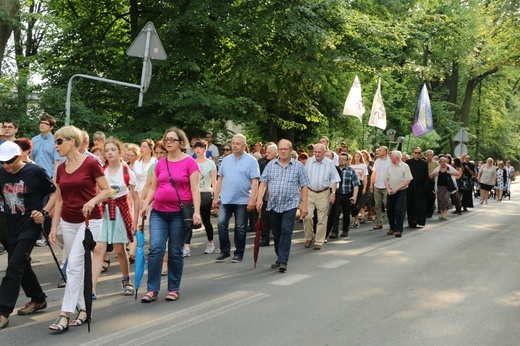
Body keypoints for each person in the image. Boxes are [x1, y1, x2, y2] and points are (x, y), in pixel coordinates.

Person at [48, 125, 111, 332]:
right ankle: (84, 310)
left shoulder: (91, 163)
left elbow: (108, 190)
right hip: (68, 220)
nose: (56, 146)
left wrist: (93, 201)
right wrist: (53, 227)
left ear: (72, 142)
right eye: (55, 142)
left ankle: (64, 314)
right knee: (74, 267)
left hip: (89, 221)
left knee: (74, 265)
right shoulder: (60, 168)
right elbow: (59, 200)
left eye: (59, 141)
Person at [139, 127, 201, 302]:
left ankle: (173, 288)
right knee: (156, 249)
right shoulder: (160, 163)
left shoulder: (190, 163)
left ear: (181, 143)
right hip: (159, 212)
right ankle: (152, 289)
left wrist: (196, 212)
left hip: (178, 215)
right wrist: (145, 204)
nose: (168, 142)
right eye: (166, 139)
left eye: (172, 139)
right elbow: (153, 187)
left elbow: (195, 189)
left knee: (175, 251)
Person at [0, 141, 56, 330]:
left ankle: (2, 311)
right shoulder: (1, 172)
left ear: (20, 156)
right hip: (10, 226)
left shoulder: (36, 172)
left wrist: (44, 212)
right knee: (21, 264)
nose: (6, 165)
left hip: (30, 227)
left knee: (14, 267)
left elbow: (55, 193)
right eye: (2, 162)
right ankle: (38, 298)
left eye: (9, 161)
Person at [92, 138, 139, 298]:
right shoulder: (101, 172)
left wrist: (135, 219)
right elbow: (97, 193)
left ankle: (126, 280)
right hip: (103, 211)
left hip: (120, 210)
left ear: (120, 152)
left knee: (120, 250)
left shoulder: (127, 173)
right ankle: (91, 287)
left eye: (113, 149)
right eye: (107, 150)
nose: (109, 153)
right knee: (99, 248)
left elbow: (135, 197)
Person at [256, 139, 309, 272]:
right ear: (278, 151)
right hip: (273, 204)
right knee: (277, 233)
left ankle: (283, 261)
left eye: (286, 149)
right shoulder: (270, 165)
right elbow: (263, 183)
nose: (283, 151)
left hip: (290, 205)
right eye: (281, 149)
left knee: (286, 231)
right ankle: (280, 257)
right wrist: (259, 199)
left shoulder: (298, 166)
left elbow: (304, 186)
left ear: (291, 151)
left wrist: (304, 205)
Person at [212, 134, 259, 263]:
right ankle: (224, 251)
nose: (234, 146)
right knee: (221, 224)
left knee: (240, 227)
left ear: (244, 146)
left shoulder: (251, 161)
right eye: (233, 143)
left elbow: (255, 181)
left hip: (242, 199)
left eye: (238, 143)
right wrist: (216, 197)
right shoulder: (226, 160)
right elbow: (220, 178)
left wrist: (253, 199)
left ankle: (239, 253)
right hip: (226, 198)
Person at [303, 143, 340, 250]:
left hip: (324, 193)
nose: (317, 154)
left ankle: (319, 241)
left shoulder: (329, 163)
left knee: (322, 219)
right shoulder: (309, 161)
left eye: (319, 152)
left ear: (324, 152)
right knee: (307, 216)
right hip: (309, 192)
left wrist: (333, 193)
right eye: (315, 152)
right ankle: (309, 237)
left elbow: (334, 179)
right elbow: (303, 178)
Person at [183, 139, 217, 256]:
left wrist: (216, 196)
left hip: (206, 193)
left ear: (205, 149)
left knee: (206, 220)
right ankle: (186, 246)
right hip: (192, 194)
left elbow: (214, 181)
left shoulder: (210, 163)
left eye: (200, 147)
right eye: (196, 147)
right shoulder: (191, 162)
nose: (197, 150)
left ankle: (210, 243)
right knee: (190, 220)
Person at [329, 152, 360, 238]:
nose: (341, 161)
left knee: (346, 213)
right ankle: (334, 231)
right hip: (337, 194)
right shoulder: (335, 169)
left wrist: (354, 196)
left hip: (347, 194)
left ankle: (345, 230)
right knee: (336, 213)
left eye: (343, 159)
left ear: (347, 161)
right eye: (340, 159)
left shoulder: (351, 170)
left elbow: (356, 184)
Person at [385, 151, 412, 237]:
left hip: (401, 190)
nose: (390, 158)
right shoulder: (389, 167)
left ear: (397, 157)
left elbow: (408, 180)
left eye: (391, 156)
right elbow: (386, 179)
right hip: (391, 190)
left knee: (399, 209)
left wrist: (397, 188)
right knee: (389, 210)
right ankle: (392, 227)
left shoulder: (405, 166)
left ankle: (399, 229)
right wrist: (388, 189)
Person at [257, 144, 278, 246]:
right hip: (265, 195)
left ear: (275, 153)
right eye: (266, 152)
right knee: (265, 218)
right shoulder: (263, 163)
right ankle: (265, 238)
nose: (267, 154)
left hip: (277, 195)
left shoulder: (281, 163)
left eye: (269, 152)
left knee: (276, 218)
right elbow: (260, 180)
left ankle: (277, 236)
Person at [406, 147, 429, 228]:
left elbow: (426, 176)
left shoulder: (424, 163)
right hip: (410, 187)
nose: (417, 154)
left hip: (420, 187)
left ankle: (419, 220)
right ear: (413, 153)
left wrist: (426, 187)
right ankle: (412, 221)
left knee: (419, 204)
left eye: (419, 153)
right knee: (411, 204)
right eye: (415, 152)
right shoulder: (408, 163)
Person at [369, 146, 391, 230]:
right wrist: (371, 184)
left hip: (387, 186)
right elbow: (374, 173)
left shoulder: (390, 161)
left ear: (385, 151)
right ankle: (379, 223)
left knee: (387, 204)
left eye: (380, 150)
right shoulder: (377, 161)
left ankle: (391, 223)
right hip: (377, 185)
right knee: (377, 205)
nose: (378, 151)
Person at [349, 150, 368, 227]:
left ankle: (355, 220)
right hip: (352, 184)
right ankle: (354, 220)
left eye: (358, 156)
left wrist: (364, 187)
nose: (356, 158)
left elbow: (365, 177)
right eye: (355, 156)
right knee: (352, 202)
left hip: (360, 183)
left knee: (357, 203)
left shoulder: (363, 166)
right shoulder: (351, 166)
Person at [425, 150, 439, 218]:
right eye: (427, 155)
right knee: (425, 196)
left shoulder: (436, 164)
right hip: (425, 181)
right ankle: (425, 210)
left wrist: (433, 174)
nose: (429, 156)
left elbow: (439, 171)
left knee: (431, 196)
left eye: (430, 155)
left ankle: (430, 211)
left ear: (432, 156)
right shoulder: (424, 163)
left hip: (432, 181)